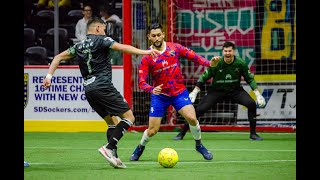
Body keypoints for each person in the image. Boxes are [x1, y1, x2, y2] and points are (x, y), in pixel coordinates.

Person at [42, 18, 159, 169]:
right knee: (129, 117)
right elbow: (123, 48)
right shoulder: (102, 39)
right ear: (97, 28)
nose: (105, 31)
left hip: (89, 90)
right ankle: (109, 148)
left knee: (112, 122)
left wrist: (48, 77)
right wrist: (146, 52)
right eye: (104, 28)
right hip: (103, 86)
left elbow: (57, 57)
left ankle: (114, 157)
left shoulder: (79, 45)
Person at [129, 23, 214, 162]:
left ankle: (199, 145)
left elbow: (195, 57)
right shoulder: (147, 58)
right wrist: (151, 89)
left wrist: (209, 64)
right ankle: (140, 147)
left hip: (179, 92)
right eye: (153, 36)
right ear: (149, 37)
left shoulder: (175, 48)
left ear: (163, 35)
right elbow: (141, 82)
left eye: (158, 35)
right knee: (152, 130)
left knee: (192, 118)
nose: (156, 38)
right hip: (160, 96)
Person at [173, 41, 266, 141]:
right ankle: (182, 133)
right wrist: (195, 92)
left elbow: (249, 78)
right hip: (216, 91)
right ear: (222, 52)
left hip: (235, 91)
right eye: (225, 51)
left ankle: (253, 134)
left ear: (233, 52)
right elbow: (204, 77)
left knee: (251, 104)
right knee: (199, 110)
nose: (227, 53)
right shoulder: (217, 63)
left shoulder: (241, 63)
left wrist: (257, 94)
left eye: (230, 51)